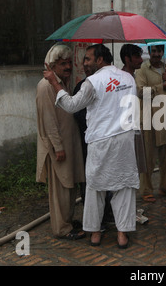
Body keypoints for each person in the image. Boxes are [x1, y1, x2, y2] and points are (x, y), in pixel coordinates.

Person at [43, 44, 139, 249]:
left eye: (87, 59)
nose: (84, 63)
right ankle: (122, 234)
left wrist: (54, 83)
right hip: (124, 140)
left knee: (96, 187)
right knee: (123, 187)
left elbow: (71, 105)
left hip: (101, 141)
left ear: (100, 60)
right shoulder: (128, 78)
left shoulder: (93, 82)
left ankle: (95, 233)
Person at [36, 44, 86, 240]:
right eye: (62, 64)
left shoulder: (61, 83)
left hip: (69, 145)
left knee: (70, 186)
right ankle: (61, 229)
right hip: (60, 148)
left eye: (68, 63)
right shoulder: (45, 86)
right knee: (60, 189)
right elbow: (49, 120)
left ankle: (67, 221)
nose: (67, 67)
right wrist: (58, 147)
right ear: (53, 65)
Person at [135, 45, 166, 203]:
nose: (156, 54)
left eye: (159, 51)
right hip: (149, 116)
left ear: (162, 53)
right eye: (153, 51)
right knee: (148, 155)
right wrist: (162, 86)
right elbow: (140, 92)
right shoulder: (142, 70)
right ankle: (146, 190)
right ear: (149, 52)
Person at [73, 57, 114, 227]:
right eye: (85, 64)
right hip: (88, 140)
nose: (86, 67)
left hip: (107, 139)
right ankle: (95, 220)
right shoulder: (82, 87)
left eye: (90, 63)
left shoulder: (109, 85)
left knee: (109, 177)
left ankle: (108, 213)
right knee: (91, 181)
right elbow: (77, 113)